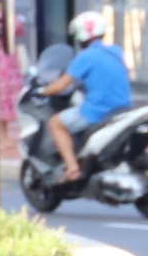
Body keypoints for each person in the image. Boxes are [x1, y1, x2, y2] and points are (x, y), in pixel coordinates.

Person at [43, 10, 130, 185]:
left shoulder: (85, 56)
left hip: (98, 111)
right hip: (124, 109)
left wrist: (43, 91)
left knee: (55, 122)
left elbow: (61, 85)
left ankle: (72, 167)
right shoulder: (116, 51)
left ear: (81, 38)